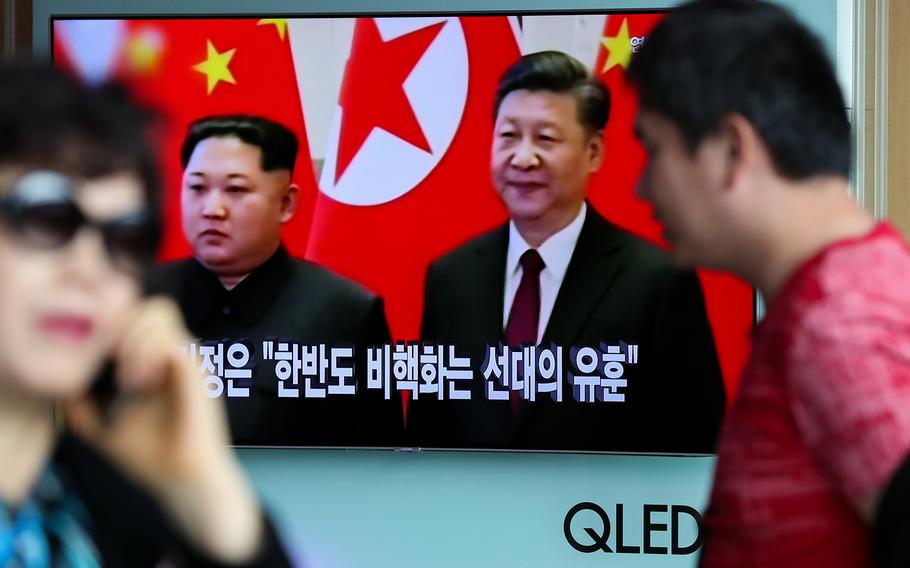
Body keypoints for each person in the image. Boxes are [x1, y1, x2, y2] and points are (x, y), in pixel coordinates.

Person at [627, 0, 910, 565]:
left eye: (654, 152)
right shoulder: (836, 297)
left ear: (733, 150)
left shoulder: (837, 324)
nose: (642, 187)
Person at [0, 62, 290, 566]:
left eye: (125, 239)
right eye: (48, 218)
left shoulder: (112, 512)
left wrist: (205, 490)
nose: (91, 270)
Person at [411, 50, 726, 453]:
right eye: (508, 136)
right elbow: (427, 435)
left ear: (593, 152)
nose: (523, 158)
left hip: (598, 515)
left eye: (545, 138)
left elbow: (696, 443)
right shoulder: (450, 278)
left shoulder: (656, 282)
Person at [148, 115, 402, 447]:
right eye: (197, 188)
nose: (212, 209)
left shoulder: (345, 313)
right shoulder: (139, 298)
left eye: (236, 190)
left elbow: (380, 458)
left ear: (285, 204)